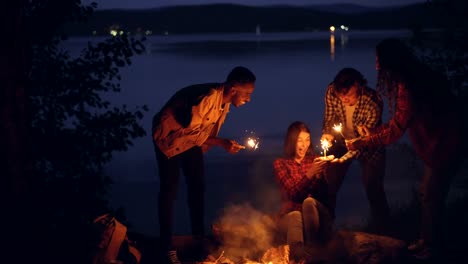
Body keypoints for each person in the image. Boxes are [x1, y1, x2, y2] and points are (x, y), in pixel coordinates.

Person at [346, 38, 465, 260]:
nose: (376, 67)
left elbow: (397, 128)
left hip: (446, 142)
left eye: (378, 60)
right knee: (426, 192)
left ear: (391, 61)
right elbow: (397, 123)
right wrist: (372, 133)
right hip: (439, 141)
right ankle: (426, 239)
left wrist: (365, 141)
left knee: (432, 194)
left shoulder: (411, 85)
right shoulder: (412, 78)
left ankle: (434, 248)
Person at [152, 66, 256, 264]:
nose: (249, 99)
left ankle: (198, 240)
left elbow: (205, 135)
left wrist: (216, 143)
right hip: (169, 137)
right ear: (233, 89)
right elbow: (190, 130)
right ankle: (167, 247)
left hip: (190, 139)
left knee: (198, 185)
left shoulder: (224, 105)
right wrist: (222, 143)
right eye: (247, 94)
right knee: (169, 190)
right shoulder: (208, 98)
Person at [321, 68, 391, 234]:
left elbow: (364, 142)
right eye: (341, 96)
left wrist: (344, 159)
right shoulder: (332, 91)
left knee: (373, 188)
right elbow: (329, 117)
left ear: (357, 85)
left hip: (369, 146)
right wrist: (327, 133)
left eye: (348, 95)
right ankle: (324, 231)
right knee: (327, 184)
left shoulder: (372, 101)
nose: (344, 99)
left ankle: (383, 231)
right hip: (341, 141)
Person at [273, 121, 334, 263]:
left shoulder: (315, 160)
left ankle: (312, 250)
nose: (304, 144)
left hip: (315, 216)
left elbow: (326, 195)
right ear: (291, 141)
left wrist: (321, 177)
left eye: (307, 140)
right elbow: (293, 194)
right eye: (300, 140)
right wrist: (310, 174)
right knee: (295, 215)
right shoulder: (281, 164)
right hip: (290, 217)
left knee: (309, 202)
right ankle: (297, 258)